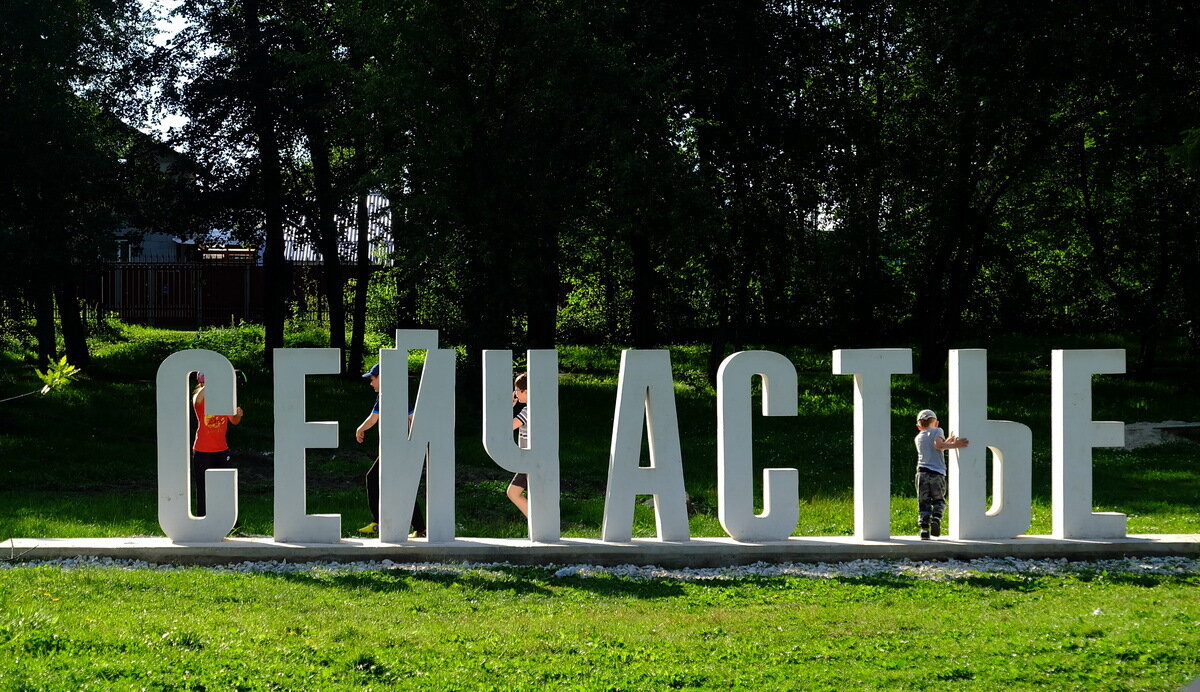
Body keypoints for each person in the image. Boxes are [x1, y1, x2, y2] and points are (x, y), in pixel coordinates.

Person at [355, 363, 425, 538]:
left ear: (382, 378)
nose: (371, 383)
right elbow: (412, 419)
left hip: (397, 448)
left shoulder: (387, 395)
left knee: (373, 478)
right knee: (400, 485)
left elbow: (373, 419)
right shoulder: (395, 395)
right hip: (397, 447)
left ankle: (378, 522)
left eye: (372, 379)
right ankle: (420, 528)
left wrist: (360, 429)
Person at [192, 371, 244, 517]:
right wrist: (212, 383)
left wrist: (237, 415)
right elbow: (197, 400)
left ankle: (228, 521)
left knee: (224, 486)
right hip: (202, 450)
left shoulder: (223, 399)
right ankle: (202, 518)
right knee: (203, 488)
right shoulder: (200, 400)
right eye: (204, 383)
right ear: (201, 384)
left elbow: (233, 421)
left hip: (221, 449)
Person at [913, 409, 969, 540]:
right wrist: (955, 444)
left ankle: (924, 529)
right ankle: (936, 519)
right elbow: (938, 445)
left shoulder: (918, 437)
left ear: (919, 426)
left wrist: (947, 441)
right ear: (936, 423)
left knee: (923, 501)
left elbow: (935, 446)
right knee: (939, 500)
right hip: (937, 474)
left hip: (921, 473)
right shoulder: (938, 431)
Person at [505, 373, 531, 517]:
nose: (515, 393)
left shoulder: (528, 411)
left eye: (517, 390)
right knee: (513, 492)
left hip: (530, 460)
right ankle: (537, 522)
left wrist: (508, 406)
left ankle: (537, 522)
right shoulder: (533, 409)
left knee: (513, 492)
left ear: (526, 391)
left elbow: (508, 426)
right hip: (529, 460)